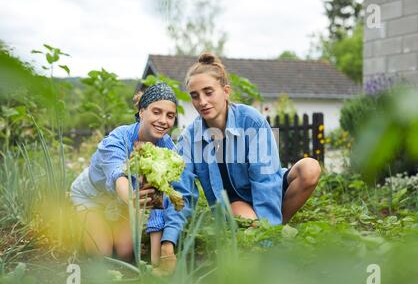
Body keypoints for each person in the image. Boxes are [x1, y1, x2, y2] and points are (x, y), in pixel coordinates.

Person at [159, 52, 322, 258]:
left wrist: (268, 235)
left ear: (225, 91)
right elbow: (180, 189)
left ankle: (272, 231)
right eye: (195, 95)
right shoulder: (190, 138)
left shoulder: (251, 121)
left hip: (268, 186)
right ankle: (262, 232)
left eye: (208, 92)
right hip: (236, 201)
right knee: (240, 212)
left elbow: (265, 179)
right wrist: (168, 242)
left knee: (310, 168)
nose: (202, 101)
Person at [70, 82, 179, 270]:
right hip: (92, 196)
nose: (163, 120)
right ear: (142, 111)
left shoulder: (165, 147)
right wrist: (130, 197)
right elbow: (117, 173)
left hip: (124, 202)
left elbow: (157, 206)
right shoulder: (118, 138)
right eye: (156, 112)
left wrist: (156, 264)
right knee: (102, 253)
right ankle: (75, 223)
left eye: (170, 116)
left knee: (125, 253)